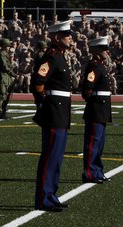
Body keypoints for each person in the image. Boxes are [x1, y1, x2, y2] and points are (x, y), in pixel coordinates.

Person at [30, 20, 76, 213]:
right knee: (50, 157)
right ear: (56, 38)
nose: (70, 38)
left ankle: (51, 194)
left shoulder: (60, 57)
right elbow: (38, 82)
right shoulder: (51, 57)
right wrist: (44, 103)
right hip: (54, 112)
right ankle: (43, 197)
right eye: (66, 35)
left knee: (56, 157)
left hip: (61, 112)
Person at [80, 37, 114, 184]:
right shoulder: (94, 65)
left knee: (99, 144)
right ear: (96, 51)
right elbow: (87, 88)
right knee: (93, 143)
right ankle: (89, 173)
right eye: (103, 49)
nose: (107, 51)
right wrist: (94, 102)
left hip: (102, 109)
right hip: (96, 109)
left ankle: (98, 171)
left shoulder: (100, 65)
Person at [0, 38, 14, 119]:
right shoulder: (2, 54)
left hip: (5, 77)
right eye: (8, 46)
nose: (9, 47)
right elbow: (4, 66)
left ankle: (2, 112)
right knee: (1, 94)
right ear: (4, 46)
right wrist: (13, 74)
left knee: (5, 94)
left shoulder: (5, 54)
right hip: (2, 76)